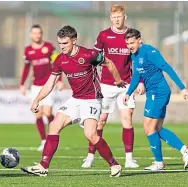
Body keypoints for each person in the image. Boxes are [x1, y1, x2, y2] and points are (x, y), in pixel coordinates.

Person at [21, 25, 126, 177]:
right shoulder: (59, 60)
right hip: (75, 99)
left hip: (92, 100)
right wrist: (37, 99)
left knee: (90, 135)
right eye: (60, 43)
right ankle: (43, 166)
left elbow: (109, 63)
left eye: (65, 43)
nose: (62, 46)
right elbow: (50, 83)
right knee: (54, 125)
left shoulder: (89, 54)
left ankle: (114, 164)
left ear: (74, 41)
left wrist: (117, 81)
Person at [123, 28, 188, 170]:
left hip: (159, 92)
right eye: (127, 43)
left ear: (139, 40)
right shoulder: (134, 55)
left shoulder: (150, 52)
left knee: (148, 128)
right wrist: (128, 92)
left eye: (132, 42)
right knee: (157, 128)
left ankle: (159, 162)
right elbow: (137, 75)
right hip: (153, 93)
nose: (130, 46)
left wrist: (182, 87)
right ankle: (184, 149)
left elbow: (167, 68)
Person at [82, 4, 143, 169]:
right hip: (106, 85)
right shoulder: (104, 35)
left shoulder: (131, 35)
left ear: (125, 17)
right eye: (114, 17)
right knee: (100, 122)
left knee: (127, 119)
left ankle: (129, 159)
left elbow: (138, 60)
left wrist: (141, 81)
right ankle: (90, 156)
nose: (117, 19)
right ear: (111, 18)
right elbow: (94, 58)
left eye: (120, 16)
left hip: (126, 84)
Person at [20, 24, 64, 151]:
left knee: (48, 112)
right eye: (34, 33)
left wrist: (59, 80)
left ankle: (53, 136)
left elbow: (57, 63)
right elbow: (26, 68)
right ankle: (44, 141)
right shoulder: (28, 50)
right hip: (35, 86)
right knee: (38, 114)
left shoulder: (49, 47)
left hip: (49, 84)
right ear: (30, 35)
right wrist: (22, 84)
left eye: (38, 33)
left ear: (41, 34)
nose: (36, 35)